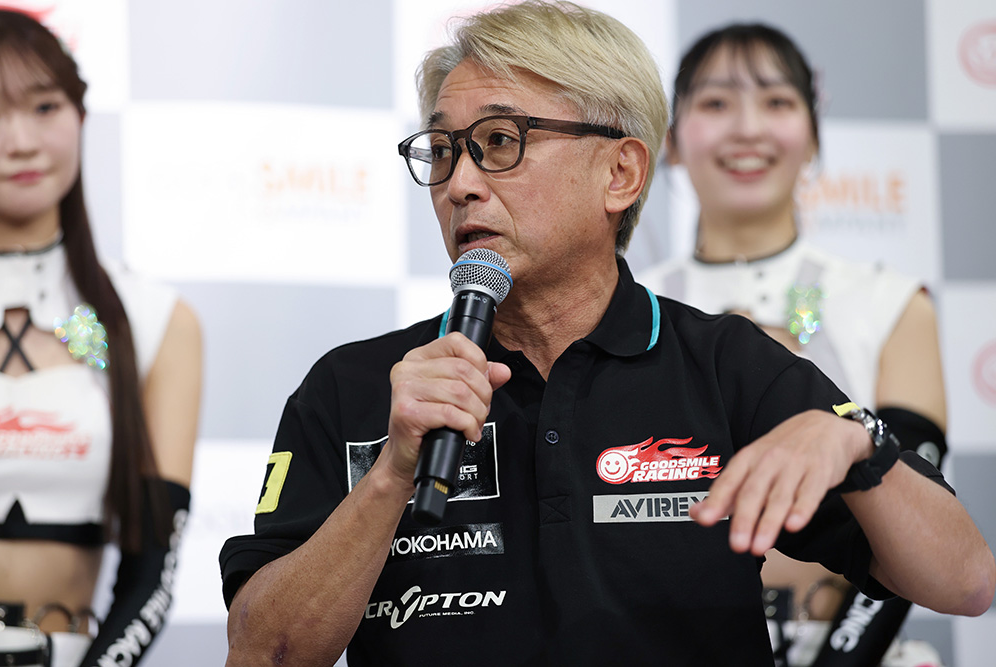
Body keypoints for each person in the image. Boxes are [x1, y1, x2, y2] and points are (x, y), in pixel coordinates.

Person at [219, 2, 994, 665]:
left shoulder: (726, 363)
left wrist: (860, 445)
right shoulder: (355, 385)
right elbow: (261, 651)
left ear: (620, 173)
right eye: (445, 150)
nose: (460, 184)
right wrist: (392, 472)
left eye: (500, 141)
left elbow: (965, 581)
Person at [637, 23, 949, 666]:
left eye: (777, 101)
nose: (748, 129)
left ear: (812, 133)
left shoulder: (893, 304)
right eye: (716, 102)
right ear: (671, 140)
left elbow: (920, 520)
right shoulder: (626, 308)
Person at [0, 9, 201, 667]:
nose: (19, 141)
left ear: (81, 116)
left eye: (44, 107)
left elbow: (152, 576)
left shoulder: (147, 318)